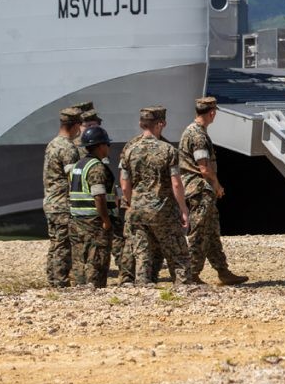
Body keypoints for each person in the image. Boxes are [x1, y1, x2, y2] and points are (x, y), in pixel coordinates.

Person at [120, 107, 195, 285]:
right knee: (178, 254)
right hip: (163, 211)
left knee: (142, 255)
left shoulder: (130, 150)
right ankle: (183, 288)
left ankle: (143, 290)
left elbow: (124, 185)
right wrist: (184, 209)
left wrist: (133, 204)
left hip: (138, 212)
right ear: (161, 124)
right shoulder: (168, 150)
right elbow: (176, 183)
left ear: (141, 124)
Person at [179, 97, 247, 285]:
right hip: (199, 189)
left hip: (200, 189)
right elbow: (204, 168)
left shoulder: (193, 131)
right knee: (199, 232)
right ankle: (190, 274)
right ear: (212, 113)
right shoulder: (198, 136)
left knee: (211, 232)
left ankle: (223, 271)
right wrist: (217, 185)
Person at [117, 106, 170, 284]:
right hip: (150, 205)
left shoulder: (131, 146)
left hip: (137, 204)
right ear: (161, 123)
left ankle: (148, 277)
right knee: (134, 244)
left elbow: (124, 179)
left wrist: (132, 202)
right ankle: (127, 277)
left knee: (144, 244)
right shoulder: (165, 147)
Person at [68, 126, 119, 288]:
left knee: (79, 256)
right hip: (94, 221)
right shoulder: (96, 167)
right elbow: (99, 197)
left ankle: (79, 285)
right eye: (107, 144)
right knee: (97, 257)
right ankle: (94, 287)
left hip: (77, 219)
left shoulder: (78, 165)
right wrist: (106, 220)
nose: (108, 148)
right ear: (100, 146)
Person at [42, 107, 82, 287]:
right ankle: (60, 282)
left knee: (55, 243)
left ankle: (52, 278)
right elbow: (73, 178)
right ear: (74, 126)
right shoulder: (68, 148)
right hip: (63, 204)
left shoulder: (52, 144)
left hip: (50, 201)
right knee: (63, 246)